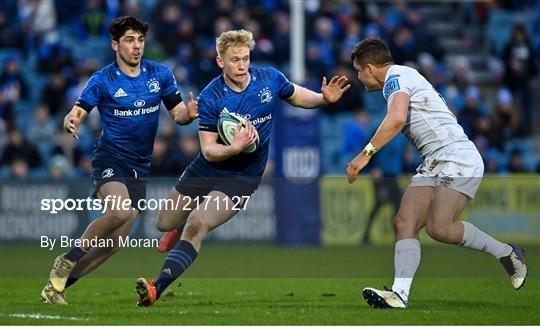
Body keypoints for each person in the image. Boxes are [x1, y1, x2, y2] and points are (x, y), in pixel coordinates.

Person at [135, 29, 350, 307]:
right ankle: (175, 231)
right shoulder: (212, 96)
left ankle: (156, 288)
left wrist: (323, 99)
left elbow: (297, 96)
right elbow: (209, 151)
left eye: (245, 58)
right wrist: (235, 146)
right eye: (234, 59)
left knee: (198, 223)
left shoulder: (269, 79)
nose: (241, 65)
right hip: (208, 167)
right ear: (220, 62)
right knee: (163, 223)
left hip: (243, 176)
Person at [346, 38, 527, 309]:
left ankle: (507, 253)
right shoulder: (402, 78)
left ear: (370, 68)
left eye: (359, 71)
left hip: (457, 156)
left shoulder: (396, 76)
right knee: (404, 221)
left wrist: (364, 155)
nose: (359, 77)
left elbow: (395, 119)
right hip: (434, 160)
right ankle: (399, 294)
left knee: (439, 228)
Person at [40, 16, 198, 305]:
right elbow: (78, 111)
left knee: (113, 244)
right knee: (121, 212)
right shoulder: (103, 79)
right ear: (115, 45)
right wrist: (70, 120)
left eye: (140, 40)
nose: (136, 46)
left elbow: (178, 115)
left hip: (141, 168)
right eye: (129, 40)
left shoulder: (160, 74)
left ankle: (56, 288)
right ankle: (66, 260)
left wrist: (189, 113)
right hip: (110, 159)